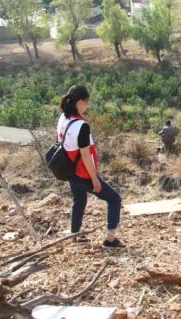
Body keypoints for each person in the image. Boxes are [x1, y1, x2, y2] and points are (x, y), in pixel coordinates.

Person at [57, 85, 125, 249]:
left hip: (70, 169)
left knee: (79, 199)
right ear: (80, 102)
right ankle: (110, 240)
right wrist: (95, 179)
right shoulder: (82, 126)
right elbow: (86, 156)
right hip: (83, 172)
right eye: (86, 102)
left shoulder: (63, 119)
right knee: (114, 199)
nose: (87, 105)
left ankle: (75, 236)